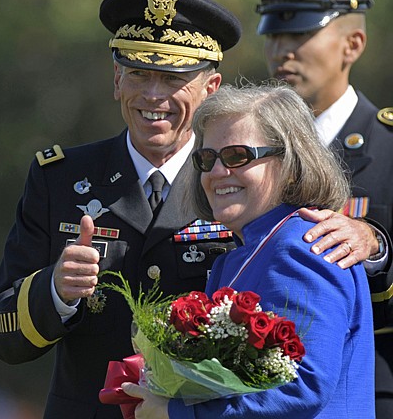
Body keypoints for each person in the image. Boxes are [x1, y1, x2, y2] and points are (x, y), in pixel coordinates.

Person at [0, 0, 380, 419]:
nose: (154, 95)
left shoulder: (238, 188)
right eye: (137, 73)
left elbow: (307, 356)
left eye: (174, 79)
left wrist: (372, 243)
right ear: (116, 80)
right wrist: (56, 291)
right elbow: (0, 334)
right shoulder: (59, 179)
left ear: (210, 87)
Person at [122, 82, 375, 418]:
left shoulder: (300, 246)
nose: (216, 172)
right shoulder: (257, 247)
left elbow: (303, 385)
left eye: (238, 156)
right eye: (206, 158)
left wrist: (178, 413)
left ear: (289, 161)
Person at [243, 0, 393, 415]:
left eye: (301, 34)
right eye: (273, 34)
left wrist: (377, 247)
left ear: (353, 45)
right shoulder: (242, 155)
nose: (281, 51)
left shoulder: (388, 147)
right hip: (250, 395)